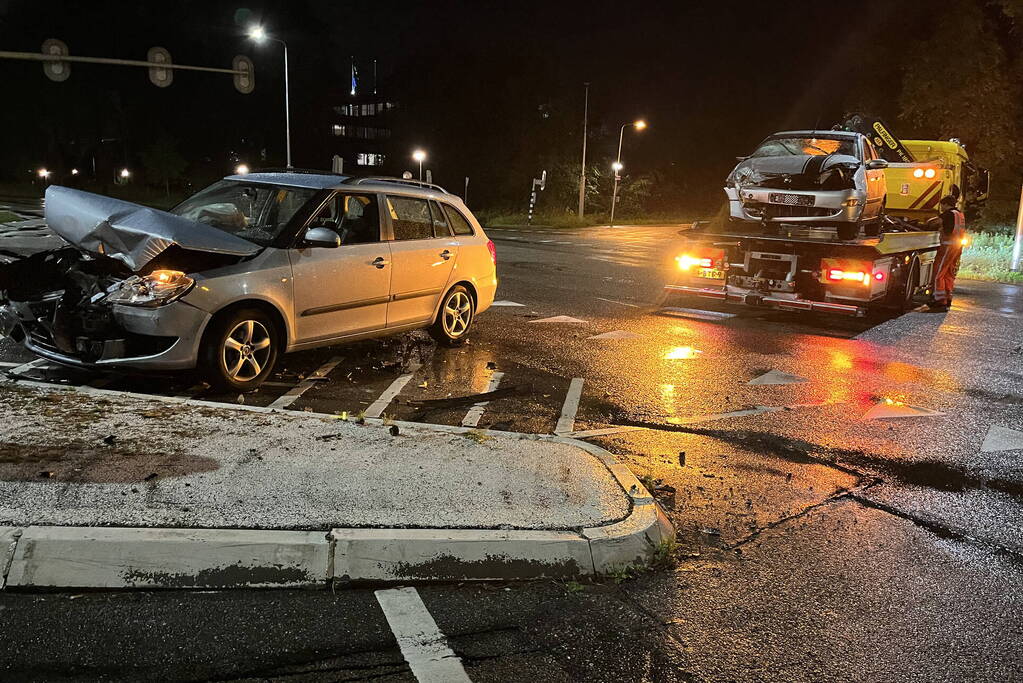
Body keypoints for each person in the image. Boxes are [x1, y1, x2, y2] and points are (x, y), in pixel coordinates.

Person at [928, 194, 966, 311]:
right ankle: (948, 297)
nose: (941, 208)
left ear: (945, 204)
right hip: (957, 247)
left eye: (942, 205)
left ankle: (939, 301)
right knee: (949, 273)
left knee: (938, 272)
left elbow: (935, 223)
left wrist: (925, 225)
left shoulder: (948, 214)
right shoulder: (959, 214)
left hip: (947, 246)